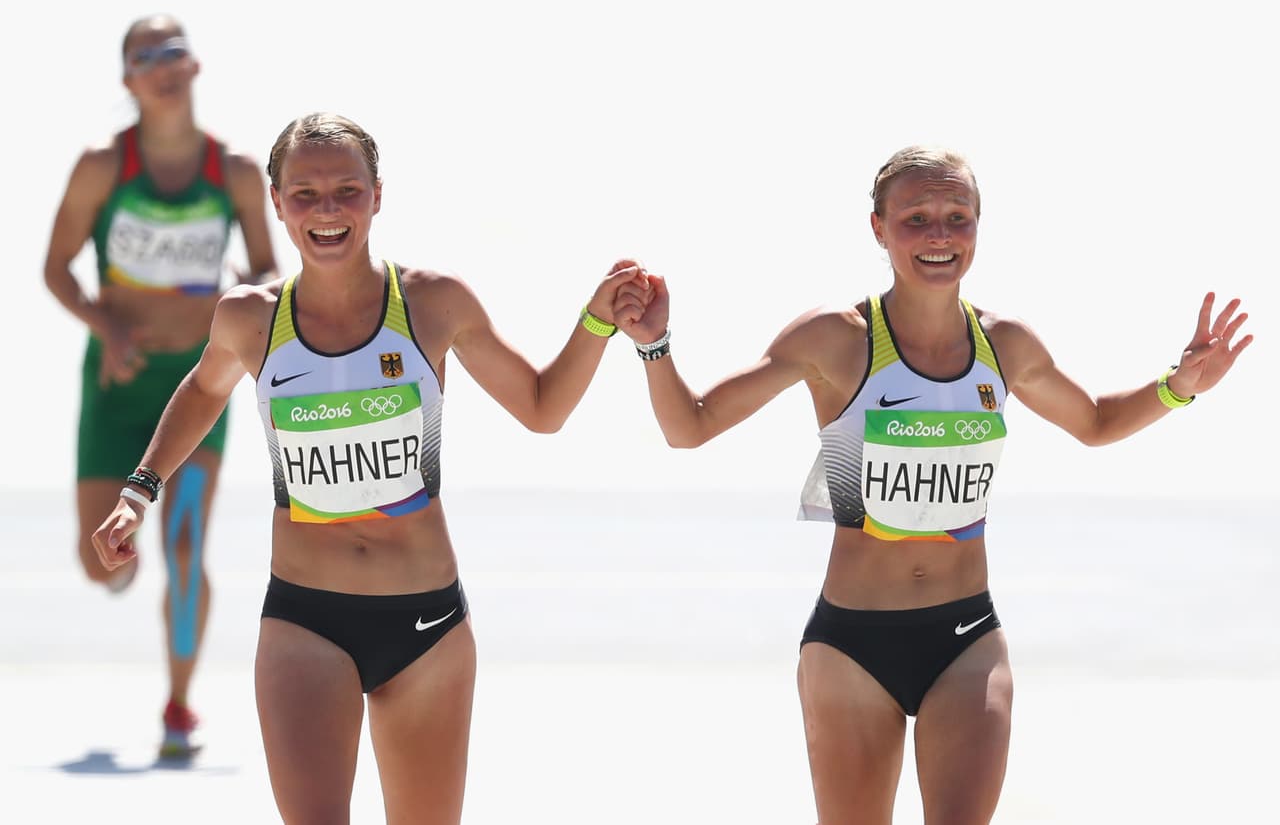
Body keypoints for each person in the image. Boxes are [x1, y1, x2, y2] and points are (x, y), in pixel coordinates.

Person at [612, 145, 1252, 824]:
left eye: (958, 216)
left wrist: (1179, 387)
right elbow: (692, 425)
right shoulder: (838, 339)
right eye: (916, 218)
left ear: (979, 225)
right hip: (850, 643)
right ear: (878, 229)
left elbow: (1093, 421)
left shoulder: (1005, 346)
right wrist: (655, 346)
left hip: (967, 637)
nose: (940, 234)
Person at [90, 112, 641, 823]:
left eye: (346, 190)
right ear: (276, 201)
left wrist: (597, 322)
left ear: (377, 195)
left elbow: (541, 405)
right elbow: (202, 390)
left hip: (428, 624)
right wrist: (139, 491)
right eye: (306, 194)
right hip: (303, 620)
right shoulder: (250, 319)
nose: (327, 211)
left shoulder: (433, 304)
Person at [43, 14, 278, 759]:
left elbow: (270, 270)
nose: (164, 65)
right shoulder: (101, 167)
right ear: (128, 80)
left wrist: (250, 291)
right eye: (147, 56)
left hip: (198, 383)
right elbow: (56, 268)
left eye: (175, 49)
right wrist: (102, 326)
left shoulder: (235, 171)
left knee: (184, 544)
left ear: (196, 64)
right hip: (118, 382)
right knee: (98, 557)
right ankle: (118, 573)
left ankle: (179, 705)